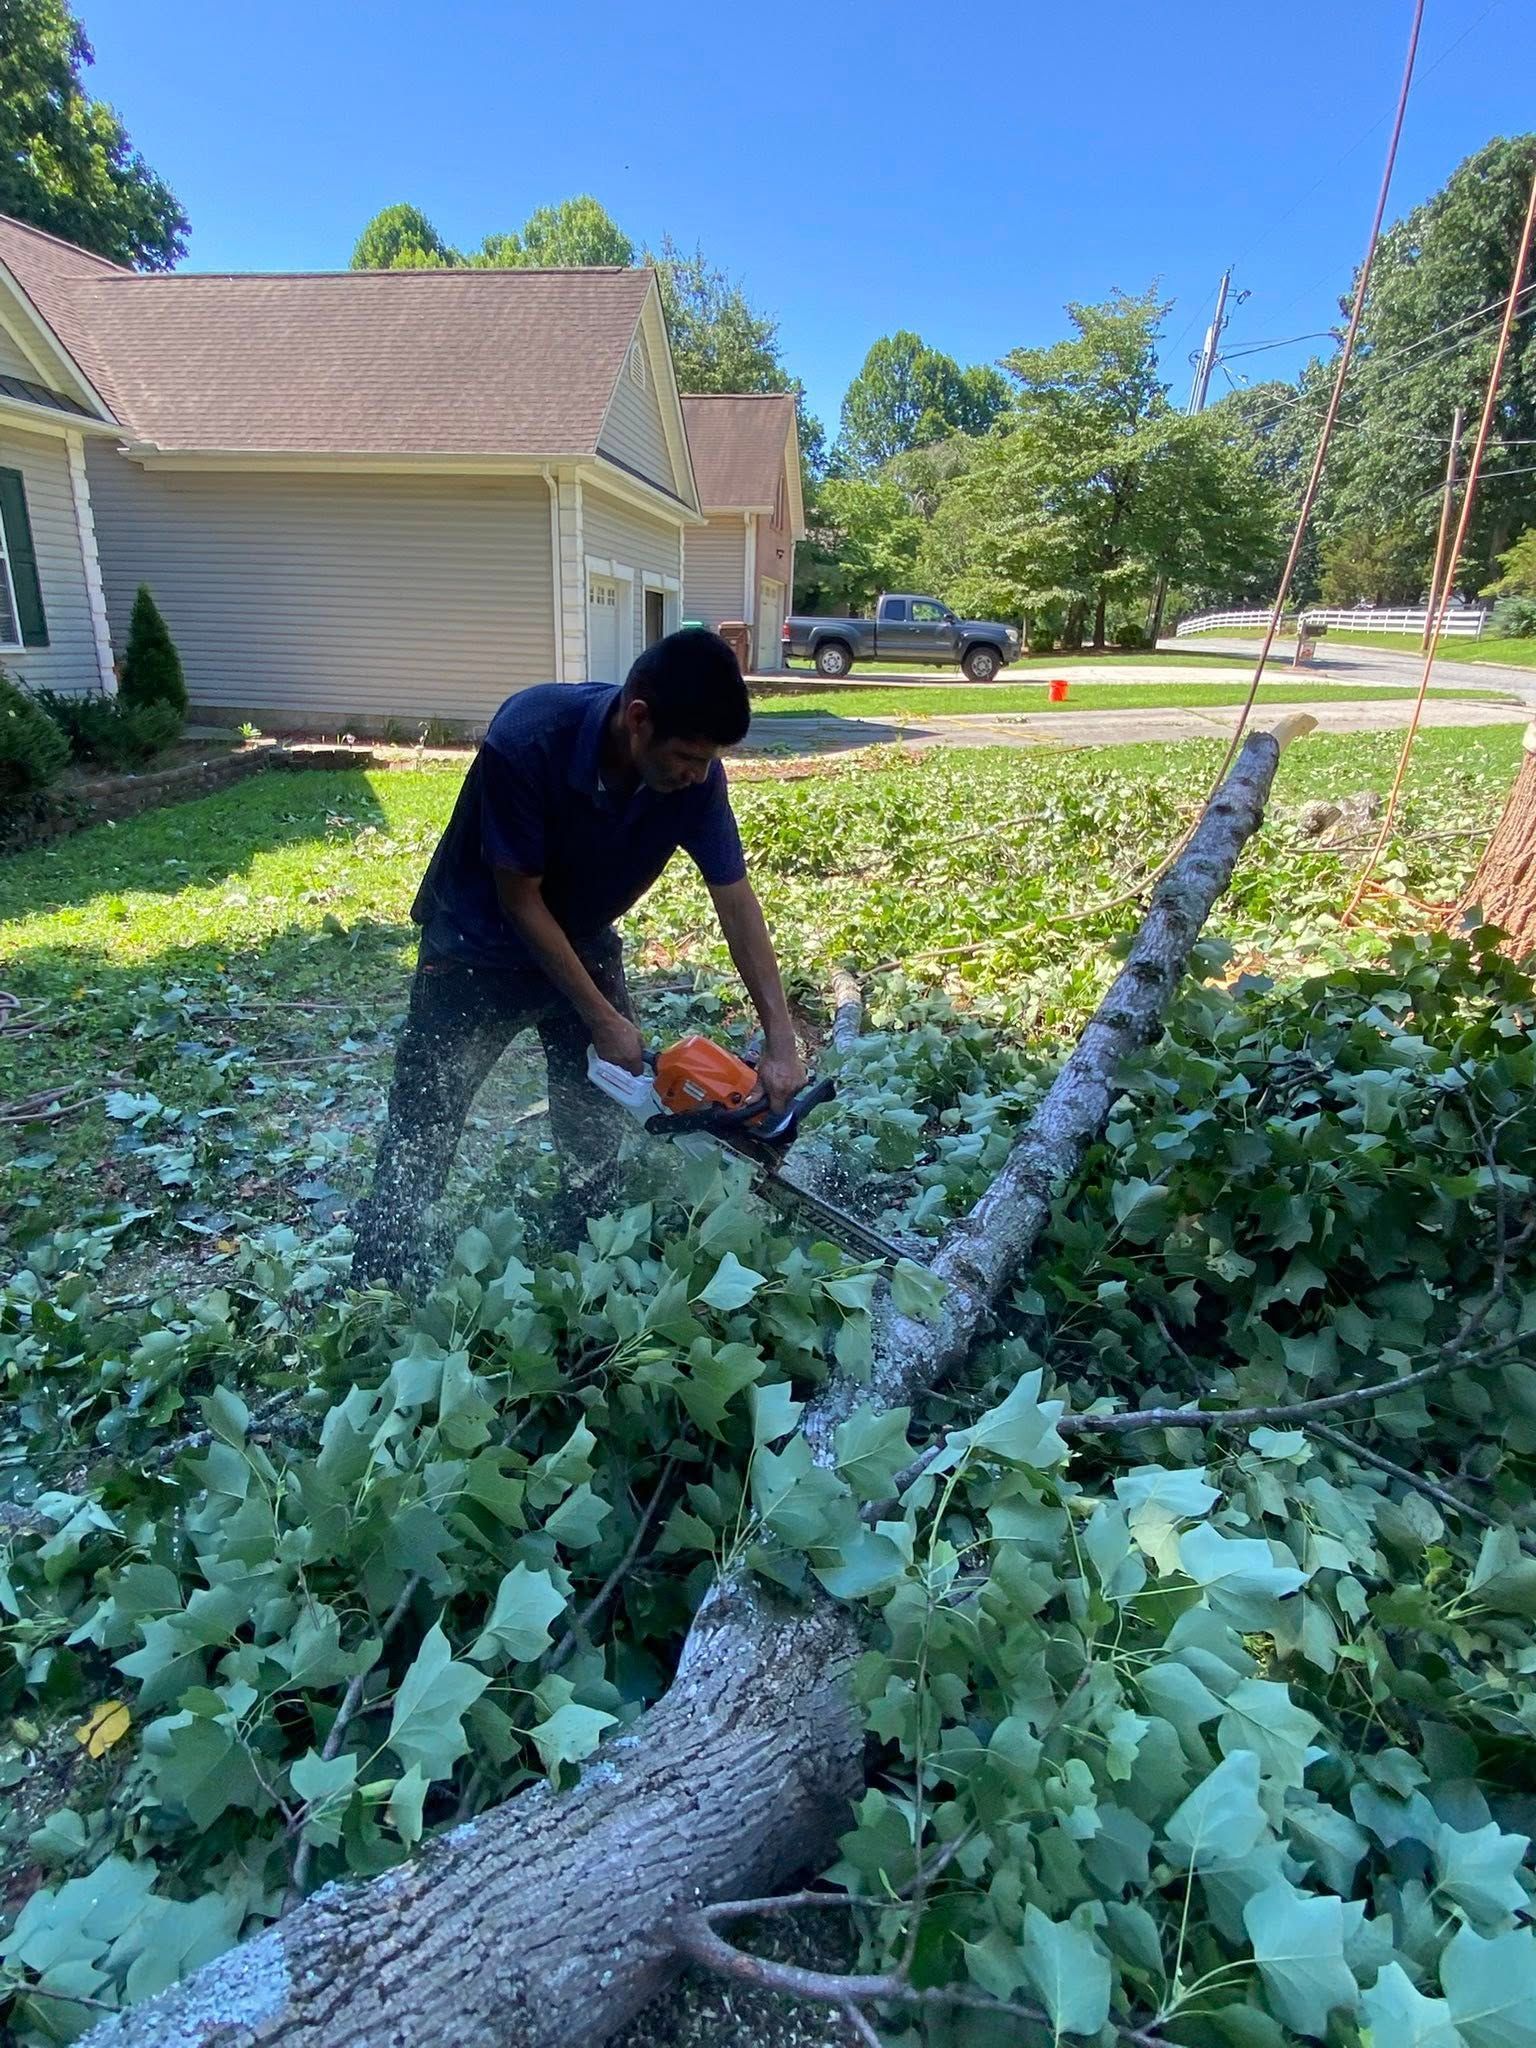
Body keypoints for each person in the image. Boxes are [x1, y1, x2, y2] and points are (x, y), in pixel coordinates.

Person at [351, 629, 807, 1286]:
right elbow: (519, 899)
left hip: (584, 933)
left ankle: (585, 1237)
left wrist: (781, 1040)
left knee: (597, 1103)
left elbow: (735, 902)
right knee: (427, 1116)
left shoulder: (696, 781)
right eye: (685, 756)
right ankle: (380, 1272)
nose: (697, 775)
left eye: (709, 760)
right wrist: (603, 1019)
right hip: (475, 948)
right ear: (638, 719)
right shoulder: (527, 739)